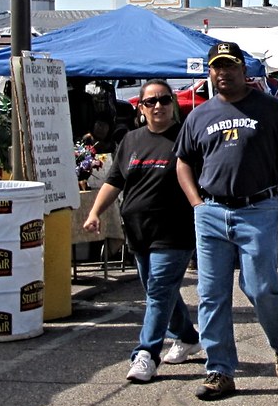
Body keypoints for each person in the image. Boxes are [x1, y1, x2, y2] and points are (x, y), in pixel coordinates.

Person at [174, 41, 278, 401]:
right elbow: (183, 162)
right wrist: (197, 204)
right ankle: (219, 369)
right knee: (211, 293)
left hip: (258, 210)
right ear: (210, 71)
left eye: (230, 66)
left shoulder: (269, 109)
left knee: (260, 286)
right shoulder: (198, 116)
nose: (224, 73)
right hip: (212, 213)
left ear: (243, 68)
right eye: (217, 67)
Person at [82, 80, 202, 383]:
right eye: (151, 102)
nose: (158, 106)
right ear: (141, 107)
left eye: (163, 100)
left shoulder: (185, 137)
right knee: (158, 291)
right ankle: (188, 337)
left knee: (159, 289)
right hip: (137, 231)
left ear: (173, 103)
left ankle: (146, 354)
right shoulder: (131, 141)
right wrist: (95, 212)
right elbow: (115, 181)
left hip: (175, 231)